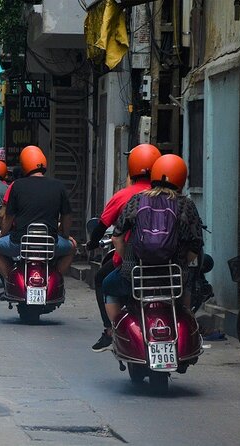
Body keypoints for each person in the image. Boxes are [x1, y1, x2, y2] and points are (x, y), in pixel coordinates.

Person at [101, 154, 204, 325]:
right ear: (182, 179)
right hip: (173, 277)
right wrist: (181, 262)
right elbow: (196, 243)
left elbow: (117, 238)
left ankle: (114, 329)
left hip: (135, 275)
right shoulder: (186, 205)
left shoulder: (138, 200)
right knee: (186, 292)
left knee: (108, 286)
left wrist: (128, 261)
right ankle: (188, 322)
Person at [85, 144, 161, 352]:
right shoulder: (171, 197)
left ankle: (110, 329)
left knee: (102, 279)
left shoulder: (126, 196)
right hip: (167, 262)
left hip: (133, 261)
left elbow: (104, 226)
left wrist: (91, 244)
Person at [0, 146, 76, 280]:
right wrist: (65, 235)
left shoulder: (17, 185)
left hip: (20, 243)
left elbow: (9, 217)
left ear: (24, 165)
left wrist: (1, 235)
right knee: (72, 248)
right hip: (50, 243)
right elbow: (67, 216)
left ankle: (10, 280)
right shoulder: (58, 185)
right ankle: (55, 279)